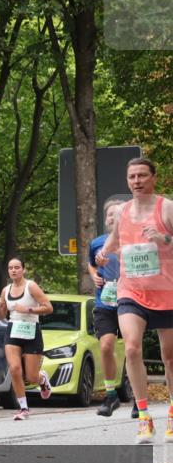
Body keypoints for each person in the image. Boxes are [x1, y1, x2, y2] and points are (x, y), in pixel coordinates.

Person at [96, 157, 173, 443]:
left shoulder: (166, 208)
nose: (137, 181)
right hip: (132, 291)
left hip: (167, 292)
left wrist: (165, 240)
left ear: (154, 177)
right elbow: (115, 240)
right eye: (132, 177)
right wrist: (103, 253)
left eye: (142, 175)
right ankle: (143, 417)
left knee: (169, 357)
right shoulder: (123, 211)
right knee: (130, 348)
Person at [0, 258, 54, 421]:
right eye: (10, 268)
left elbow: (49, 308)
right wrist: (0, 306)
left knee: (31, 377)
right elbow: (1, 316)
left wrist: (28, 309)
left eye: (17, 267)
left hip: (31, 331)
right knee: (14, 368)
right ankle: (23, 408)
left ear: (23, 270)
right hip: (13, 329)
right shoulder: (5, 290)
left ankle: (42, 379)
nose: (13, 270)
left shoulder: (31, 287)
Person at [88, 199, 129, 417]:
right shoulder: (97, 243)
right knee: (105, 347)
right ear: (106, 219)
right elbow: (91, 264)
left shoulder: (133, 241)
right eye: (109, 215)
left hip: (130, 300)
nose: (113, 217)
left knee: (132, 349)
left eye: (117, 213)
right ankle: (111, 394)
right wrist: (94, 275)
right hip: (104, 301)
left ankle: (134, 394)